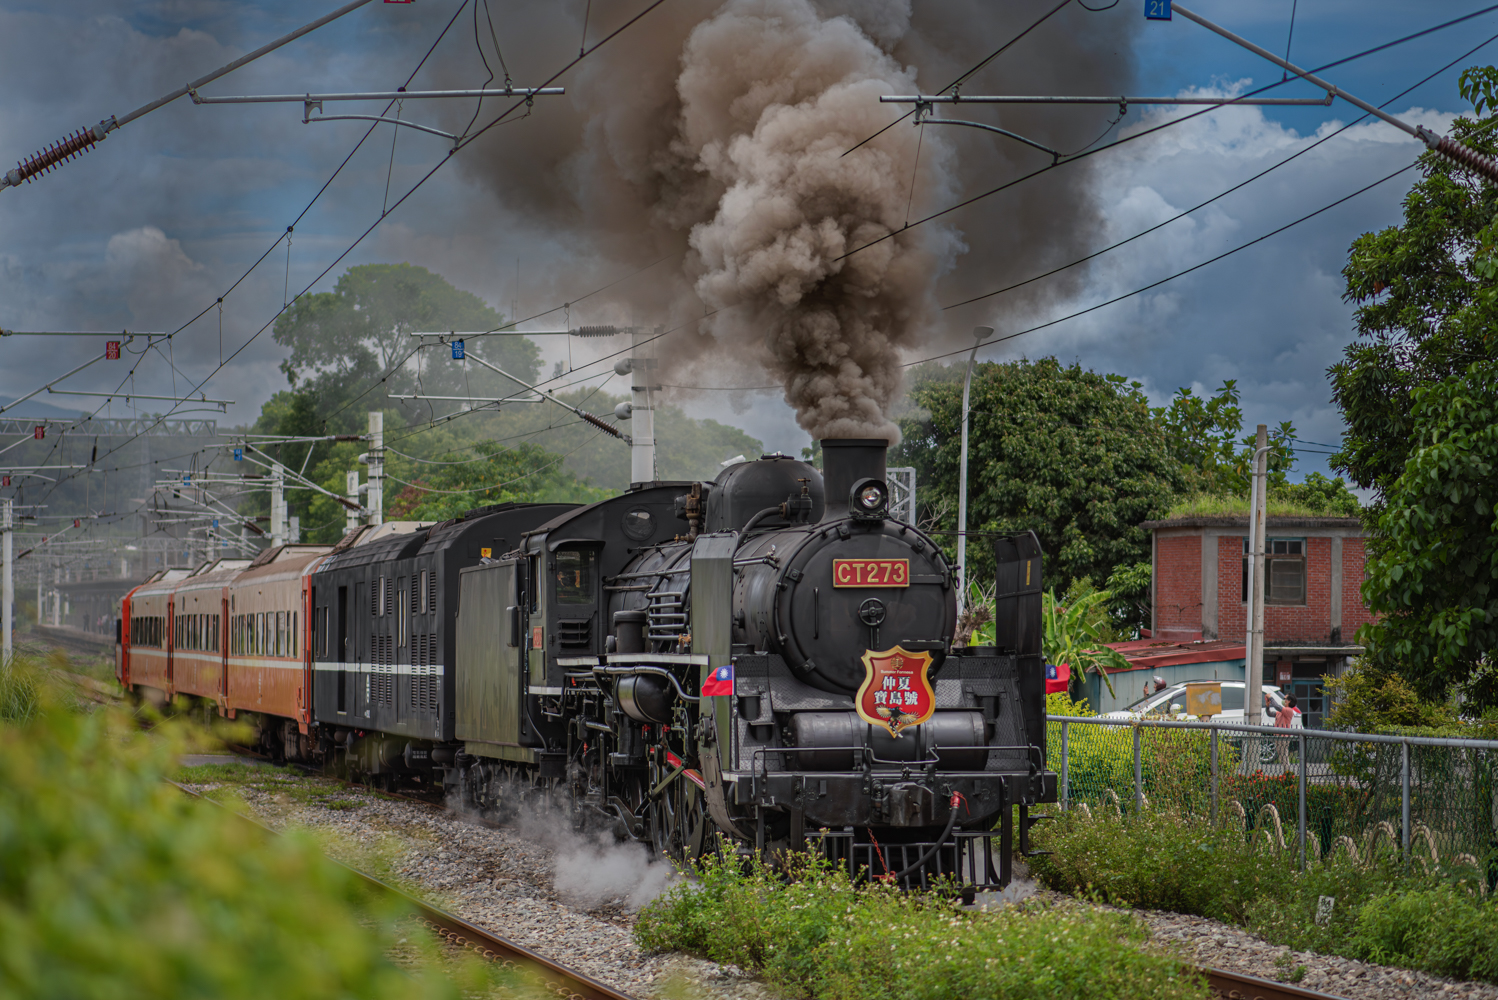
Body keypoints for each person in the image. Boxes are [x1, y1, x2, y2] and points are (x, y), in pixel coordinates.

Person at [1274, 694, 1301, 765]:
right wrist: (1267, 706)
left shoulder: (1289, 710)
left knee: (1284, 755)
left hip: (1284, 736)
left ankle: (1287, 772)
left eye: (1285, 698)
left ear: (1289, 701)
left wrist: (1270, 698)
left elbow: (1277, 707)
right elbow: (1270, 713)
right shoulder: (1282, 711)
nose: (1283, 700)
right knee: (1280, 755)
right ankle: (1285, 772)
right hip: (1278, 735)